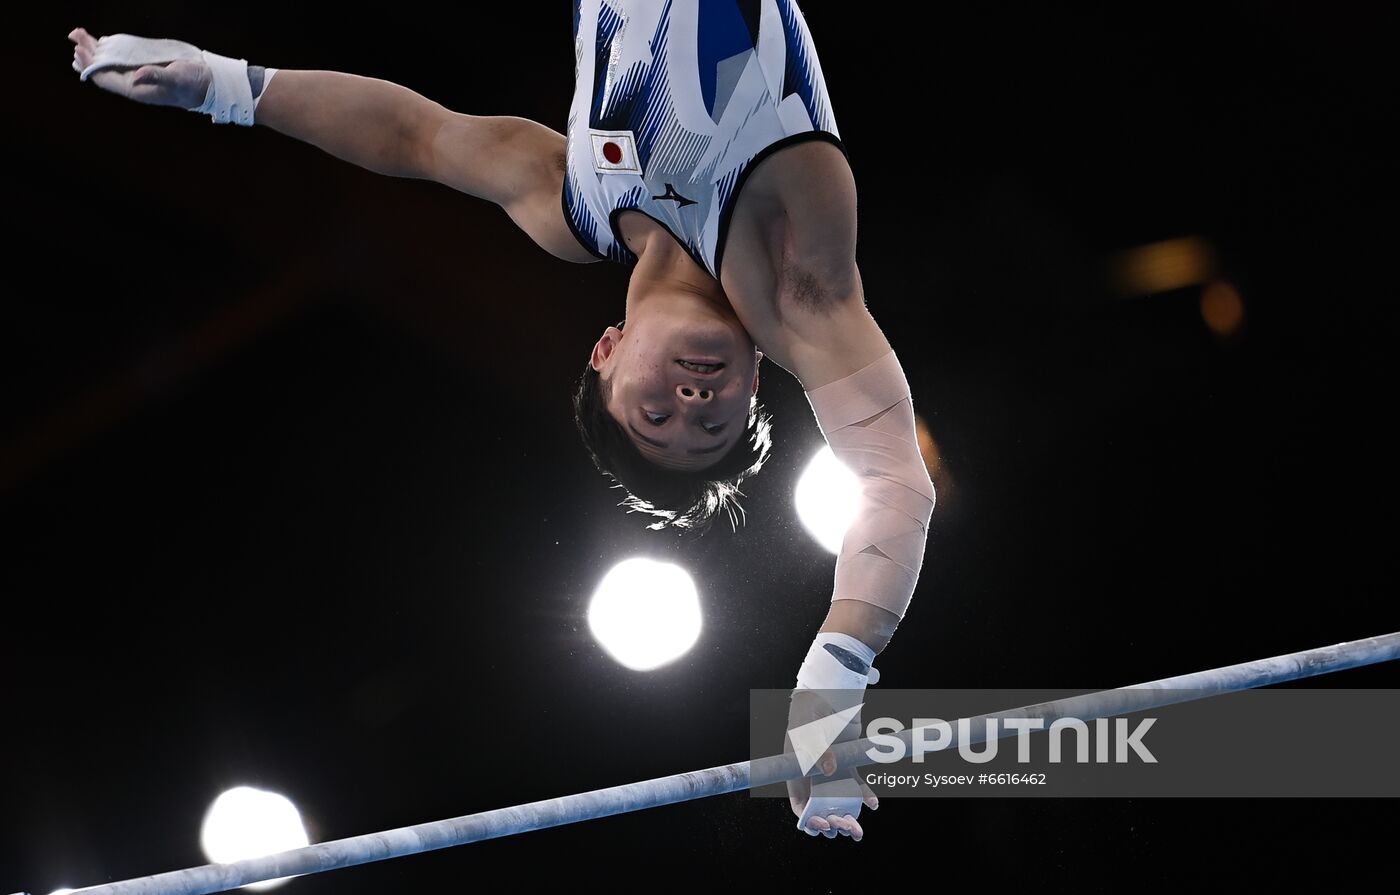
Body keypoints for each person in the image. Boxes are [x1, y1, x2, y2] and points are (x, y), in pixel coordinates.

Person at [69, 0, 936, 841]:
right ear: (754, 381)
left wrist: (224, 86)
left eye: (656, 412)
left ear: (605, 351)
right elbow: (895, 477)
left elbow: (416, 136)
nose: (693, 400)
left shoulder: (573, 208)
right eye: (709, 423)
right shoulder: (795, 281)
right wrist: (834, 675)